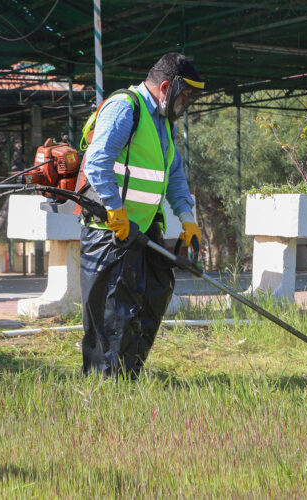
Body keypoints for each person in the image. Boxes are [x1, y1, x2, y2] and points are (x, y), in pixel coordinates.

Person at [78, 52, 205, 379]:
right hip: (111, 231)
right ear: (165, 87)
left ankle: (128, 375)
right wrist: (115, 211)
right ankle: (105, 385)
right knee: (113, 313)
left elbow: (173, 175)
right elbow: (97, 162)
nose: (185, 102)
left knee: (151, 301)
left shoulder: (163, 122)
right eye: (185, 95)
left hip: (144, 229)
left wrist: (187, 218)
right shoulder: (126, 108)